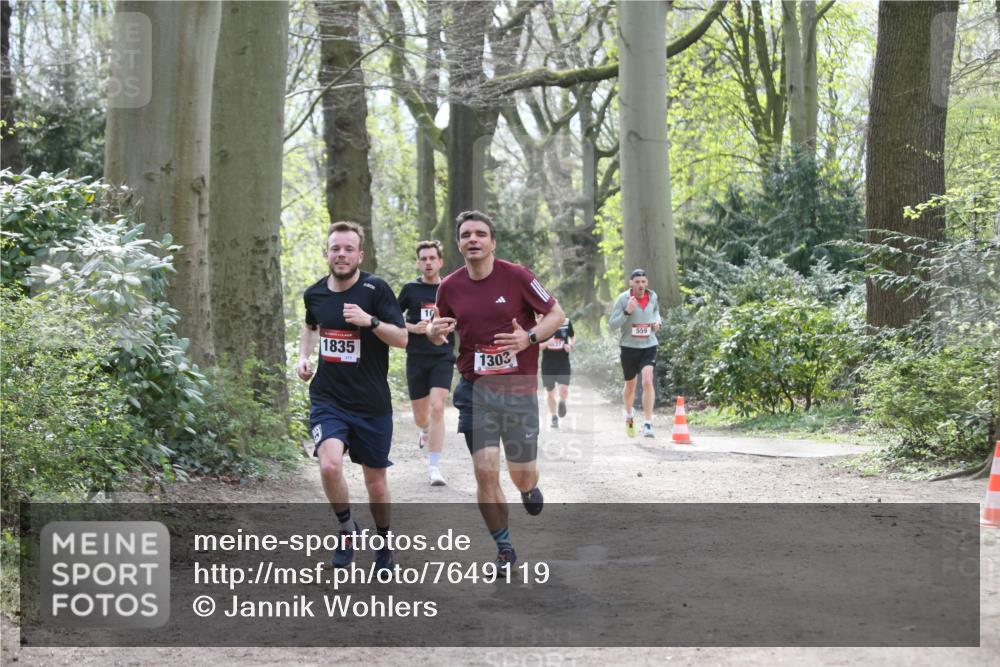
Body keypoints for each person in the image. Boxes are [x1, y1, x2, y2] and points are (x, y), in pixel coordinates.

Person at [428, 210, 565, 569]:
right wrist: (433, 332)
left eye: (480, 234)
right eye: (466, 234)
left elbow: (556, 315)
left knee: (522, 475)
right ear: (459, 244)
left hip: (517, 390)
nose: (473, 239)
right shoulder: (450, 287)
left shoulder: (518, 277)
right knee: (485, 471)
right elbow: (437, 325)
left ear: (492, 242)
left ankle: (528, 488)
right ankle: (504, 547)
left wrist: (529, 337)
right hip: (476, 390)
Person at [296, 221, 408, 570]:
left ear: (360, 254)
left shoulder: (376, 290)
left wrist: (369, 321)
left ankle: (384, 545)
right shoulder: (315, 293)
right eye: (335, 248)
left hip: (372, 403)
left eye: (348, 249)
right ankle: (346, 531)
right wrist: (303, 356)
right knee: (329, 465)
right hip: (329, 399)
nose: (341, 255)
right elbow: (311, 324)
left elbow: (402, 338)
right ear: (326, 253)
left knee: (375, 483)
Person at [396, 240, 455, 486]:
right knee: (422, 417)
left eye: (433, 258)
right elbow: (393, 320)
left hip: (442, 355)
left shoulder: (451, 288)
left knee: (438, 407)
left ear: (440, 262)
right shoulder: (410, 289)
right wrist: (413, 327)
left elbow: (462, 319)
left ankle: (434, 467)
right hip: (416, 357)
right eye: (424, 259)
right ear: (419, 262)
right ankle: (423, 430)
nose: (428, 263)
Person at [608, 268, 661, 438]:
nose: (641, 285)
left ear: (647, 283)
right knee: (630, 386)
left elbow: (656, 313)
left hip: (649, 345)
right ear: (631, 283)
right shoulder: (623, 299)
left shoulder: (653, 296)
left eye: (643, 282)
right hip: (629, 347)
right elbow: (612, 325)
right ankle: (629, 416)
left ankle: (648, 423)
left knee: (647, 380)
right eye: (637, 282)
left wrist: (657, 322)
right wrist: (627, 312)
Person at [540, 318, 575, 429]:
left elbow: (573, 336)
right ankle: (554, 416)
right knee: (550, 394)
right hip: (548, 364)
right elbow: (537, 346)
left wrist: (570, 345)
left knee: (563, 389)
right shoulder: (542, 324)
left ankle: (562, 402)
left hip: (563, 362)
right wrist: (547, 343)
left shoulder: (566, 322)